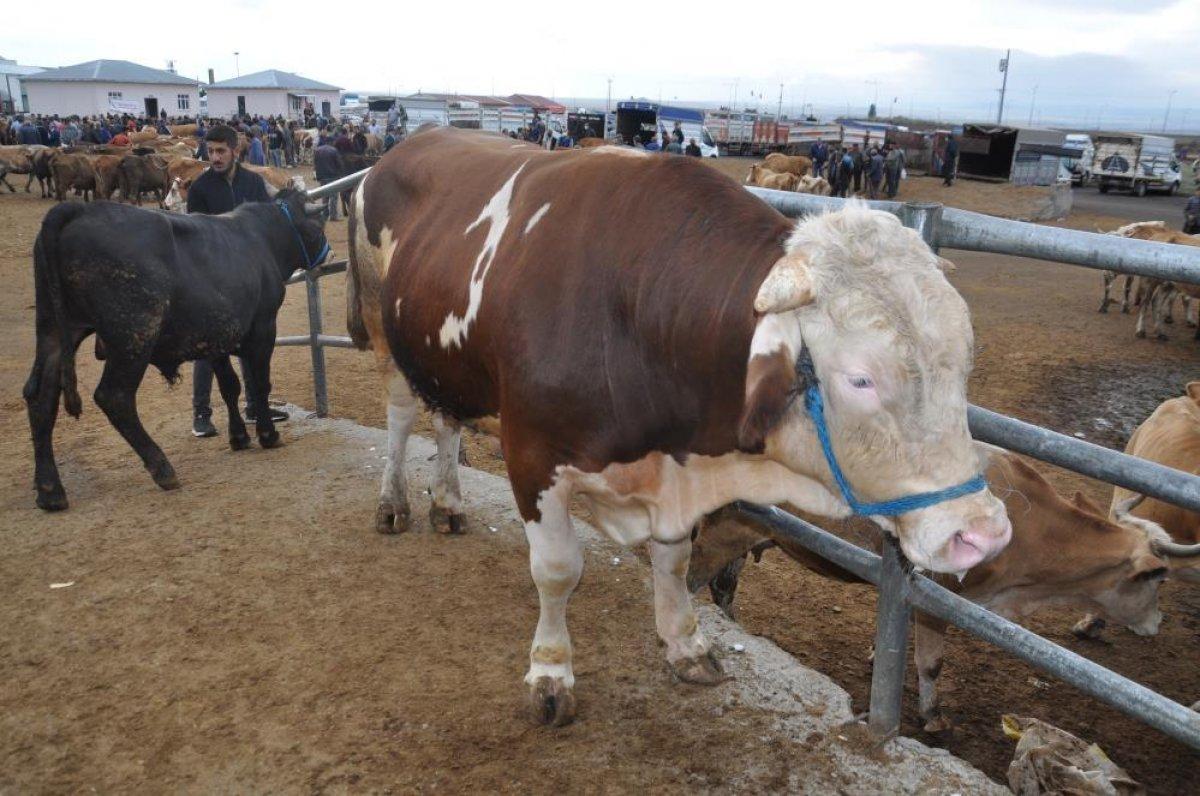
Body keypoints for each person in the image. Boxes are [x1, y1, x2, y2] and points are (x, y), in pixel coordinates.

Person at [186, 125, 284, 437]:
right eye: (210, 151)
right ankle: (201, 412)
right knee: (207, 347)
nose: (213, 157)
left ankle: (256, 405)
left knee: (253, 340)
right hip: (213, 279)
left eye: (220, 151)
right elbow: (194, 236)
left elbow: (269, 225)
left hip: (249, 278)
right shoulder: (201, 189)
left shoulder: (253, 183)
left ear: (235, 151)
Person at [314, 141, 345, 221]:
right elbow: (339, 163)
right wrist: (341, 172)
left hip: (322, 176)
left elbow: (315, 164)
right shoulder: (334, 150)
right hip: (332, 176)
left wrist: (318, 175)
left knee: (325, 196)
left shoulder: (317, 150)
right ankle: (333, 215)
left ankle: (325, 215)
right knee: (333, 197)